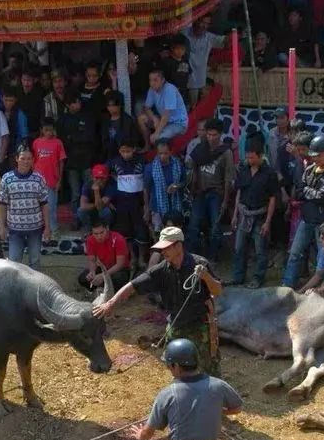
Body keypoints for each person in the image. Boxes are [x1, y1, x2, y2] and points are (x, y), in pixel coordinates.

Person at [95, 226, 223, 375]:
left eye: (167, 248)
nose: (163, 252)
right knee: (175, 367)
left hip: (200, 326)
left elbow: (217, 291)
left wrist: (206, 277)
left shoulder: (200, 264)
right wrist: (110, 303)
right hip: (175, 324)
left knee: (209, 368)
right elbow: (133, 285)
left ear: (178, 246)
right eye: (161, 248)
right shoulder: (161, 270)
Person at [283, 134, 324, 288]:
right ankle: (288, 286)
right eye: (313, 155)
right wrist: (311, 193)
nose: (315, 158)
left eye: (319, 155)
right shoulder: (309, 170)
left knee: (323, 258)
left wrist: (308, 192)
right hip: (307, 219)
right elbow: (299, 191)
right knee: (295, 253)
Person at [230, 144, 279, 288]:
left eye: (252, 157)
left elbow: (272, 198)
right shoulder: (244, 170)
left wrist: (268, 222)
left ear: (260, 156)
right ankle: (238, 277)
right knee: (239, 249)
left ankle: (258, 278)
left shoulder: (270, 173)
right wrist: (235, 214)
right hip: (243, 215)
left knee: (260, 251)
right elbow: (239, 193)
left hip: (260, 216)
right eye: (247, 157)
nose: (249, 160)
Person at [185, 119, 234, 260]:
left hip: (216, 194)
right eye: (209, 134)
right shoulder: (200, 148)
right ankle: (191, 258)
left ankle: (213, 259)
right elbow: (191, 165)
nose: (211, 138)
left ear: (220, 135)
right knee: (193, 226)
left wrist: (225, 201)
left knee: (215, 227)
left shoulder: (226, 153)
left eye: (214, 135)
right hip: (199, 192)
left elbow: (228, 179)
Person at [0, 147, 50, 270]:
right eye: (22, 158)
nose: (26, 161)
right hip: (15, 229)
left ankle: (35, 287)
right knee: (14, 262)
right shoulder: (6, 179)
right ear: (16, 159)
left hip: (35, 229)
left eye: (29, 159)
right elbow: (2, 204)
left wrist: (47, 227)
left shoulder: (39, 179)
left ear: (33, 160)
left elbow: (45, 204)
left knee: (35, 261)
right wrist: (2, 226)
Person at [108, 140, 149, 271]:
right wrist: (108, 199)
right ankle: (132, 257)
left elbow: (148, 181)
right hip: (122, 203)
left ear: (134, 150)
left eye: (128, 151)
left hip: (138, 203)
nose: (126, 154)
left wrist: (146, 205)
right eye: (123, 151)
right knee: (126, 232)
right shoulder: (114, 162)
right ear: (119, 151)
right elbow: (102, 173)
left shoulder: (142, 161)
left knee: (141, 230)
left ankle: (142, 258)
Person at [58, 93, 99, 213]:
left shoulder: (88, 117)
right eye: (74, 102)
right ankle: (77, 219)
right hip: (71, 162)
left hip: (87, 160)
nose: (78, 104)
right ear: (68, 105)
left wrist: (73, 138)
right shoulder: (63, 119)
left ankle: (90, 219)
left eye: (78, 102)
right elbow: (62, 139)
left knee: (89, 191)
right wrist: (76, 138)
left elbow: (90, 137)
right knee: (75, 193)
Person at [144, 139, 186, 238]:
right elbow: (146, 189)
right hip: (157, 206)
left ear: (171, 152)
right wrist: (146, 209)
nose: (162, 156)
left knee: (175, 234)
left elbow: (184, 182)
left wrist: (176, 186)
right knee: (158, 234)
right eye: (160, 153)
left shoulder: (178, 165)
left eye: (165, 153)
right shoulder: (150, 168)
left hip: (175, 205)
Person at [138, 68, 189, 146]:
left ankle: (164, 155)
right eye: (150, 80)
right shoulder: (152, 89)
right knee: (141, 119)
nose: (152, 83)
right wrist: (154, 118)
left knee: (158, 139)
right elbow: (147, 108)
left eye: (155, 80)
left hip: (177, 123)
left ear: (162, 80)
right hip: (164, 120)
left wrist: (156, 133)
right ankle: (146, 146)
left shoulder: (169, 89)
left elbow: (166, 115)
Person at [183, 15, 226, 107]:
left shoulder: (209, 37)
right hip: (183, 79)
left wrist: (233, 36)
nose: (204, 26)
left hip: (199, 81)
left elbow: (225, 41)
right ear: (196, 21)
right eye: (202, 22)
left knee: (196, 109)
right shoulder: (184, 33)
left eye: (207, 24)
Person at [32, 118, 65, 234]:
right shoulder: (36, 142)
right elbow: (34, 160)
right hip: (38, 180)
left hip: (52, 180)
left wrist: (59, 179)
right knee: (37, 205)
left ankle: (53, 228)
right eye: (46, 130)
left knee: (51, 206)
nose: (49, 133)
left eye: (51, 130)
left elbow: (61, 162)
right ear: (41, 130)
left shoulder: (58, 143)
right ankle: (39, 228)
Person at [79, 221, 130, 291]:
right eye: (96, 234)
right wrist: (92, 272)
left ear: (107, 229)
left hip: (118, 270)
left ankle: (108, 292)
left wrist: (103, 276)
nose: (99, 236)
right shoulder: (90, 240)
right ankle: (96, 290)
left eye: (102, 232)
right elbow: (92, 260)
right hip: (103, 267)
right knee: (83, 278)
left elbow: (120, 264)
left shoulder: (118, 239)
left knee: (117, 280)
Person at [100, 90, 141, 161]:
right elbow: (104, 141)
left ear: (120, 105)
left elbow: (134, 140)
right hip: (109, 156)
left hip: (126, 155)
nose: (111, 108)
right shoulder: (105, 121)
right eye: (109, 105)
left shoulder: (128, 120)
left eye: (113, 105)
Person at [77, 164, 118, 231]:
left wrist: (96, 191)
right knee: (80, 211)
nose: (99, 181)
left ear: (107, 177)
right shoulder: (88, 184)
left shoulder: (111, 184)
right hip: (96, 208)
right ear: (92, 177)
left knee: (106, 212)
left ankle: (105, 230)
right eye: (96, 178)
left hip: (107, 211)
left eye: (102, 178)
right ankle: (90, 231)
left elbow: (100, 207)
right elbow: (83, 205)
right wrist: (105, 204)